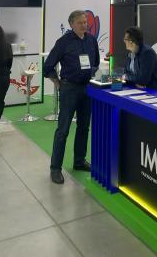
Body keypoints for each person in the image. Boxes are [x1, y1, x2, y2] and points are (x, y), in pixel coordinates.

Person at [44, 10, 100, 184]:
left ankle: (79, 161)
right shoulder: (63, 42)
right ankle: (55, 168)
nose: (84, 25)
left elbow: (96, 62)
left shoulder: (91, 40)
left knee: (84, 127)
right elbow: (48, 66)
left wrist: (91, 72)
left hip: (87, 88)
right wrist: (57, 82)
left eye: (85, 22)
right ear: (72, 24)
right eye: (80, 22)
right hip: (69, 89)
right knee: (63, 130)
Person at [123, 27, 157, 91]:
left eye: (125, 39)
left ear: (131, 42)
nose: (124, 41)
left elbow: (143, 79)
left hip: (154, 92)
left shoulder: (148, 53)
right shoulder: (130, 53)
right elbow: (126, 72)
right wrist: (131, 78)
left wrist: (126, 77)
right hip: (137, 89)